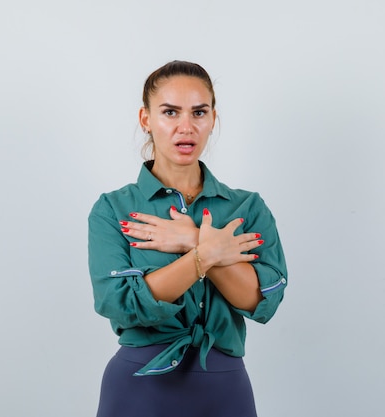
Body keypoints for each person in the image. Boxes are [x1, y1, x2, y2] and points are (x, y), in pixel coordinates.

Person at [88, 60, 288, 416]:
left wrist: (193, 238)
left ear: (213, 119)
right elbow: (118, 304)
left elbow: (262, 301)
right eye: (170, 112)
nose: (186, 127)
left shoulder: (247, 207)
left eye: (199, 112)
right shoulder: (113, 209)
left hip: (224, 388)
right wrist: (207, 254)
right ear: (146, 119)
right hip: (139, 389)